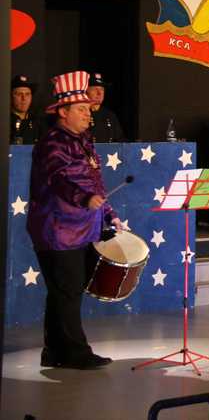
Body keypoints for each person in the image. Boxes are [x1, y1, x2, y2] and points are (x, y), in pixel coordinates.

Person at [28, 70, 122, 369]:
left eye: (88, 109)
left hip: (82, 228)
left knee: (65, 292)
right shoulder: (53, 143)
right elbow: (58, 179)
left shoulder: (83, 141)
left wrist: (109, 214)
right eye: (81, 109)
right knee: (66, 291)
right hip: (58, 229)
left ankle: (55, 351)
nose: (88, 113)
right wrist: (84, 199)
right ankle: (75, 352)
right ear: (63, 112)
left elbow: (95, 183)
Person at [86, 73, 124, 143]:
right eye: (95, 89)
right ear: (86, 91)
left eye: (102, 89)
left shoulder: (110, 115)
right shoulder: (82, 114)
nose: (99, 93)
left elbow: (119, 140)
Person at [11, 74, 43, 145]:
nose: (24, 98)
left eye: (27, 94)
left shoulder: (38, 122)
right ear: (11, 96)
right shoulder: (5, 122)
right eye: (19, 94)